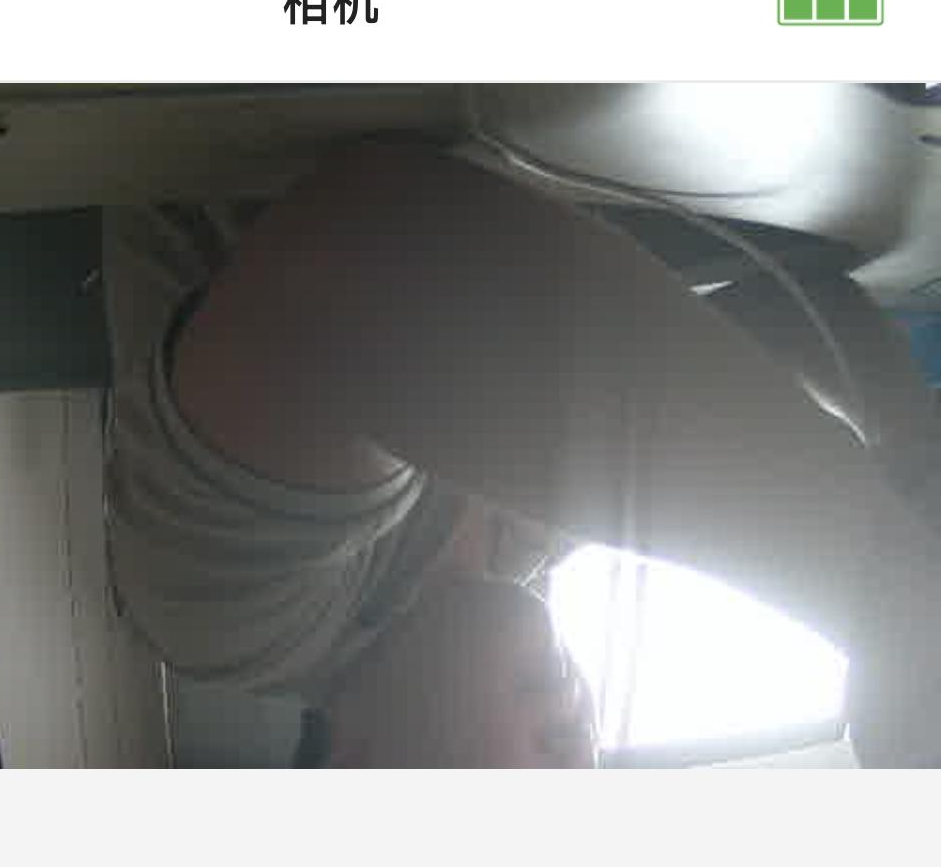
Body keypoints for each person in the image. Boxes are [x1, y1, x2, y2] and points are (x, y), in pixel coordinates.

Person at [102, 131, 941, 765]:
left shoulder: (235, 620)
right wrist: (916, 466)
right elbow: (801, 314)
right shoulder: (532, 540)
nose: (581, 753)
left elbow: (372, 252)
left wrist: (889, 602)